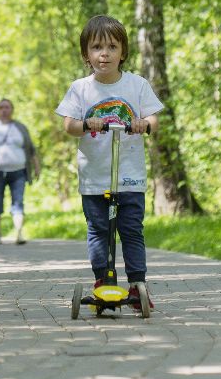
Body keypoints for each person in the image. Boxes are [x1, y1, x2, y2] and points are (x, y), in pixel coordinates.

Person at [55, 16, 163, 304]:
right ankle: (102, 280)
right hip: (95, 177)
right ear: (86, 55)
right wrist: (85, 123)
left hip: (130, 177)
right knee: (99, 231)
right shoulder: (80, 88)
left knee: (131, 230)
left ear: (123, 52)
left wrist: (143, 123)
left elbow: (154, 119)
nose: (105, 53)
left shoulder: (137, 86)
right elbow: (68, 125)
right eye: (97, 47)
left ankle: (137, 284)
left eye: (112, 47)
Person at [0, 98, 41, 244]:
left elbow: (31, 149)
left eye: (7, 107)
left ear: (12, 110)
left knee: (18, 202)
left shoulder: (20, 128)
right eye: (1, 107)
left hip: (19, 171)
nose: (4, 110)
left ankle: (19, 233)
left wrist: (37, 167)